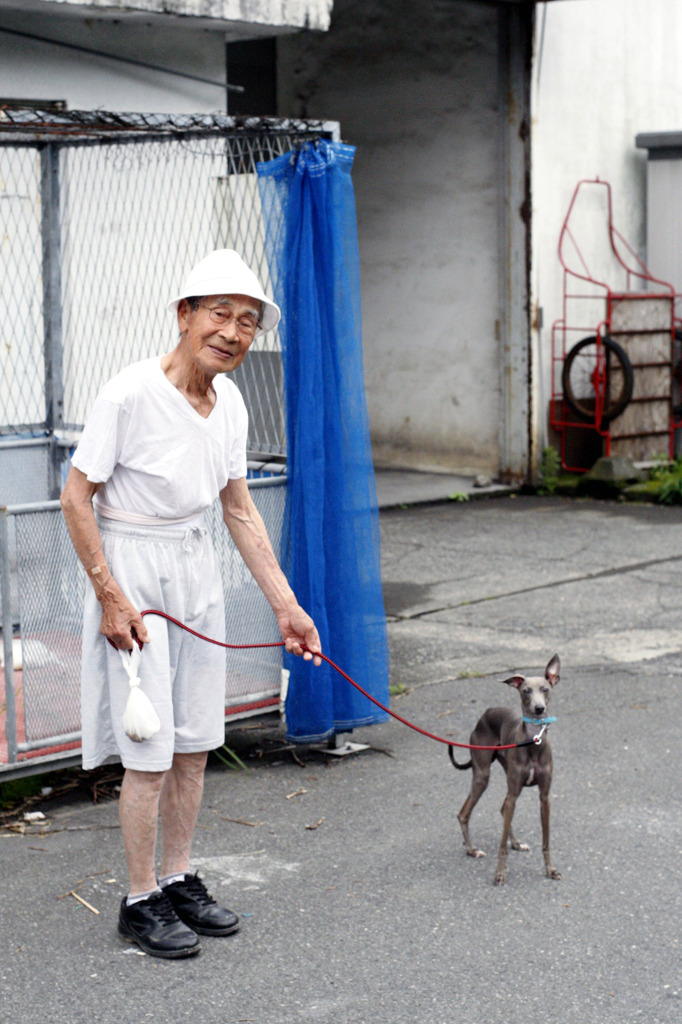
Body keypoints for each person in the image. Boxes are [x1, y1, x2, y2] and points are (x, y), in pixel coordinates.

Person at [60, 249, 321, 960]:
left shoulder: (228, 402)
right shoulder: (129, 394)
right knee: (149, 753)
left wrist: (285, 606)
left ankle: (176, 878)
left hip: (195, 564)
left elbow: (238, 509)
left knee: (198, 745)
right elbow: (75, 496)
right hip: (134, 570)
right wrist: (110, 597)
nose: (233, 333)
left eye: (248, 322)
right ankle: (139, 899)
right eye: (220, 314)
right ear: (185, 315)